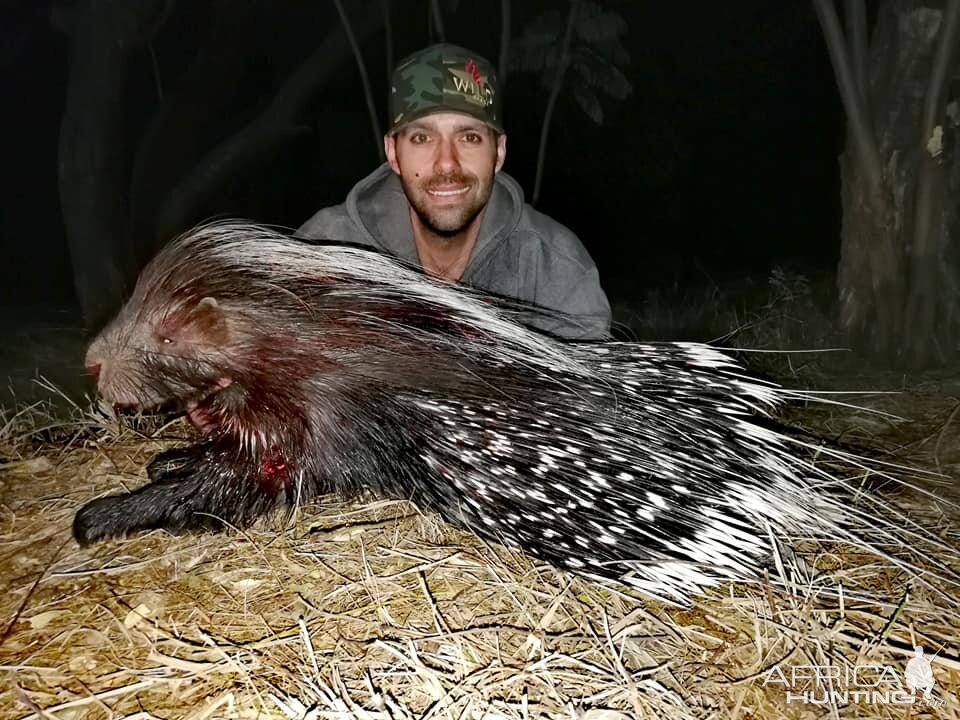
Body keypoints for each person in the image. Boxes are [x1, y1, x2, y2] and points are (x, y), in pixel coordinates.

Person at [297, 43, 611, 339]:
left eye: (469, 137)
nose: (447, 164)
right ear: (393, 152)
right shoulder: (326, 251)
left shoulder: (554, 267)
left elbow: (593, 390)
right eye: (422, 138)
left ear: (498, 151)